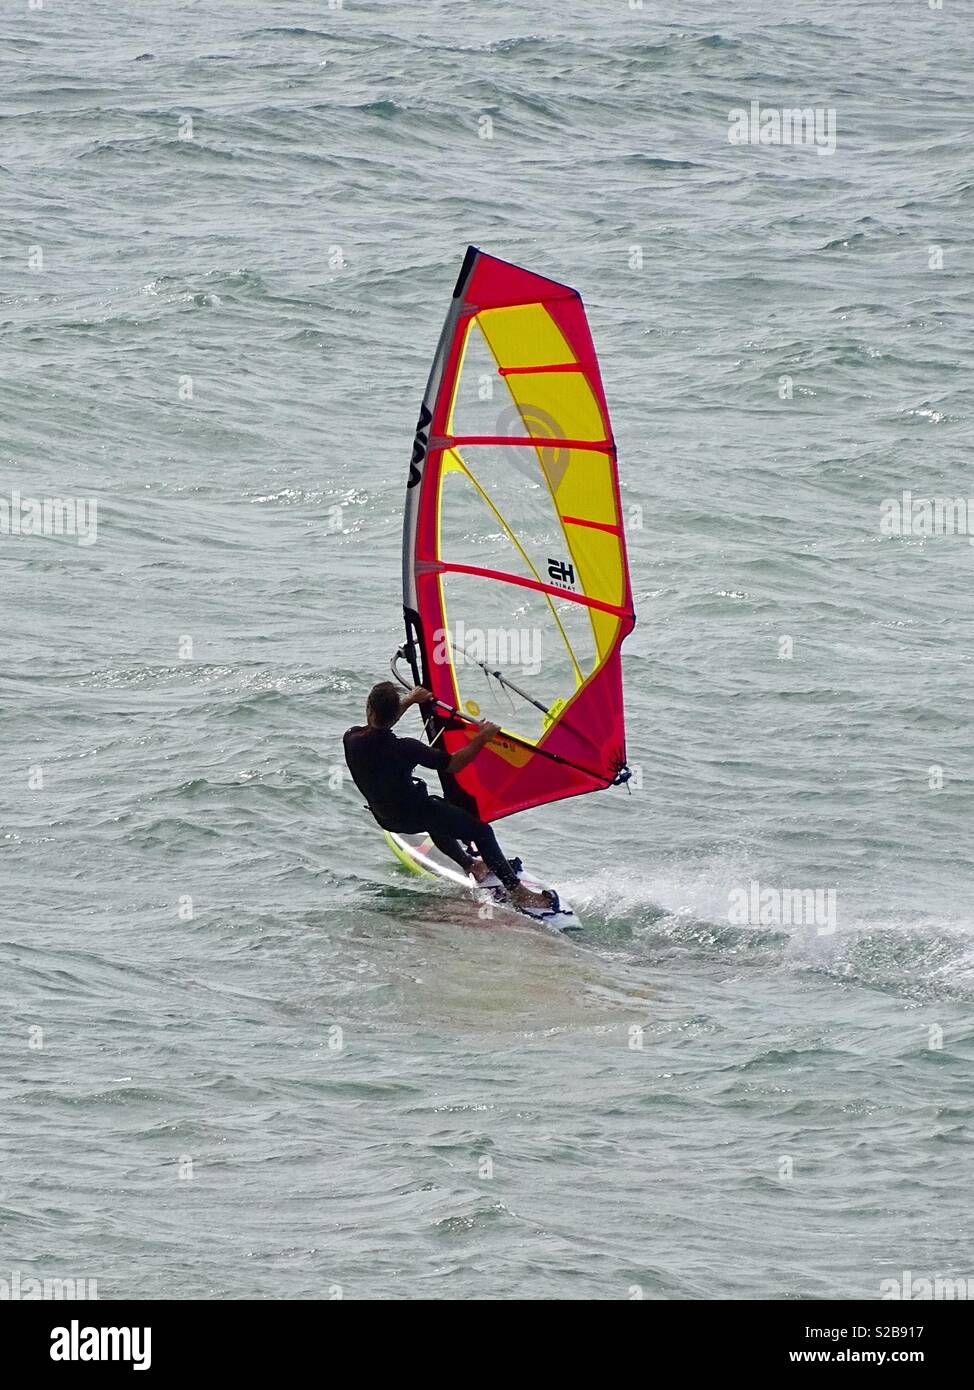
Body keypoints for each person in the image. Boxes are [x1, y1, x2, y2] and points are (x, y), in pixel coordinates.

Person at [344, 681, 554, 911]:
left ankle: (471, 864)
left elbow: (379, 726)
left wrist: (410, 700)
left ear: (369, 709)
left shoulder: (352, 739)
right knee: (482, 832)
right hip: (416, 813)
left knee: (438, 817)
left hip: (386, 817)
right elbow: (454, 764)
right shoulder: (407, 748)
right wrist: (482, 738)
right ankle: (518, 892)